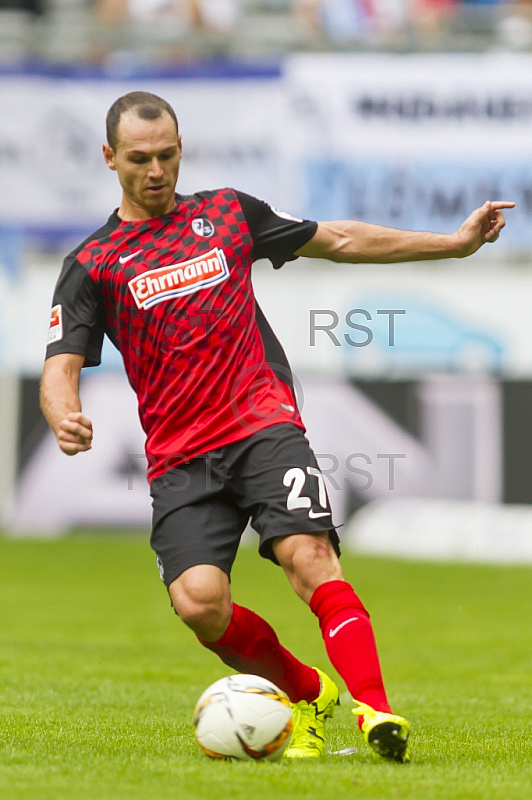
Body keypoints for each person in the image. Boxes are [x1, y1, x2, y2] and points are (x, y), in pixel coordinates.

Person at [40, 91, 513, 763]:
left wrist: (454, 244)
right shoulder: (93, 263)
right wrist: (65, 416)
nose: (156, 170)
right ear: (110, 158)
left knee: (309, 558)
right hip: (180, 457)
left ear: (182, 148)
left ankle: (375, 711)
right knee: (200, 603)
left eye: (168, 154)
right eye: (140, 158)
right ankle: (306, 690)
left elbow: (342, 239)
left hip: (262, 422)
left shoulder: (228, 213)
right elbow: (60, 365)